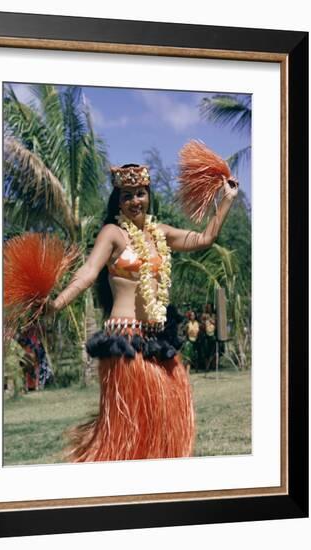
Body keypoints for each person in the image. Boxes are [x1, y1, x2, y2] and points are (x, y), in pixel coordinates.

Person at [46, 163, 238, 461]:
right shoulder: (112, 233)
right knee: (130, 423)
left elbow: (203, 239)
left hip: (158, 339)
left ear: (148, 196)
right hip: (126, 340)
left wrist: (226, 199)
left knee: (167, 413)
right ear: (118, 201)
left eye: (140, 193)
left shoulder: (160, 232)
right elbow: (87, 272)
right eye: (127, 196)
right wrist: (57, 303)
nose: (135, 201)